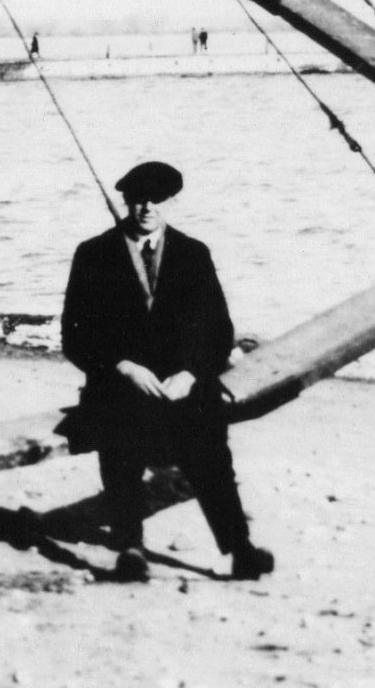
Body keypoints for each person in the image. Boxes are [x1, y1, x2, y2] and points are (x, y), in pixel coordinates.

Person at [60, 160, 273, 582]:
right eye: (138, 199)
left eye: (156, 199)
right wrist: (122, 367)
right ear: (125, 201)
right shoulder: (94, 254)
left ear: (171, 201)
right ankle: (131, 548)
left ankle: (239, 549)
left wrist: (191, 374)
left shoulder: (194, 255)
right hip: (120, 385)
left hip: (183, 387)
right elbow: (75, 334)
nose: (146, 208)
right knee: (120, 453)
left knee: (212, 457)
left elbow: (219, 330)